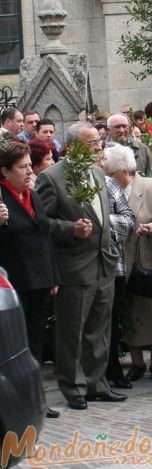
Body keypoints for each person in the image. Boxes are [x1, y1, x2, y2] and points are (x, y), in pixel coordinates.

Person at [36, 121, 128, 410]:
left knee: (100, 330)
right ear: (74, 147)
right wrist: (69, 228)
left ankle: (96, 383)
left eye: (99, 143)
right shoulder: (52, 178)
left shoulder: (98, 173)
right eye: (92, 144)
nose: (99, 148)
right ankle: (73, 386)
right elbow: (41, 223)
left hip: (102, 263)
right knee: (72, 331)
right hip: (74, 266)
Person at [103, 145, 152, 384]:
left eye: (112, 175)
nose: (110, 179)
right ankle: (136, 362)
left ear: (124, 170)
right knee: (128, 313)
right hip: (122, 263)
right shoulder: (108, 189)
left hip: (149, 260)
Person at [0, 141, 61, 418]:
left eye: (29, 166)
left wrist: (53, 276)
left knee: (36, 341)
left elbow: (44, 235)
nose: (29, 172)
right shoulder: (2, 198)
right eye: (22, 167)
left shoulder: (32, 195)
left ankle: (36, 401)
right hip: (14, 285)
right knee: (14, 346)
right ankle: (14, 404)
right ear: (5, 171)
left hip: (40, 280)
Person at [99, 148, 135, 390]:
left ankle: (113, 368)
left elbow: (129, 219)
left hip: (114, 266)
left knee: (113, 321)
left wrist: (101, 219)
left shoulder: (110, 185)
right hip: (87, 265)